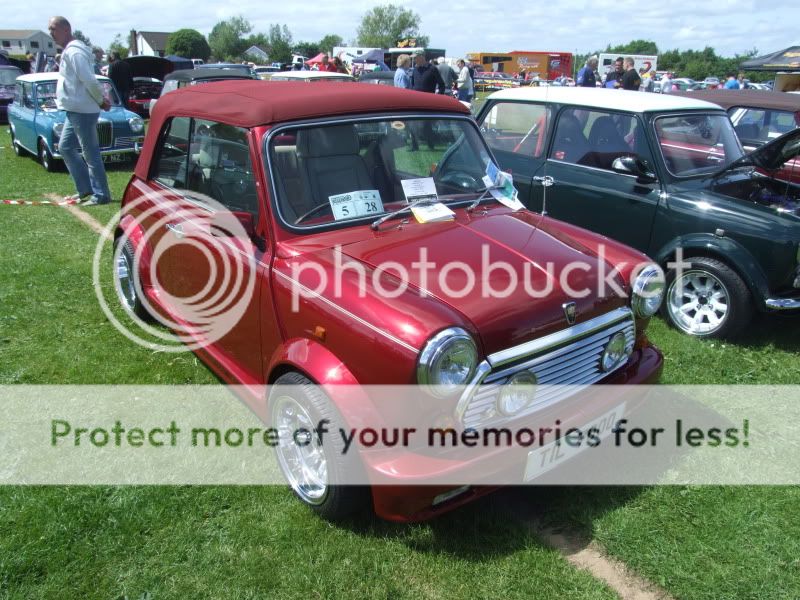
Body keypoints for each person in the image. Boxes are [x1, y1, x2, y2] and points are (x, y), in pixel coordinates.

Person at [47, 16, 112, 206]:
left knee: (90, 153)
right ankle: (85, 189)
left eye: (54, 29)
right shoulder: (71, 50)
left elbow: (89, 80)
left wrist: (101, 100)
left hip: (83, 110)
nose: (51, 33)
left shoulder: (75, 52)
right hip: (74, 109)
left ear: (66, 29)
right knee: (65, 147)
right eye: (49, 29)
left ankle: (101, 195)